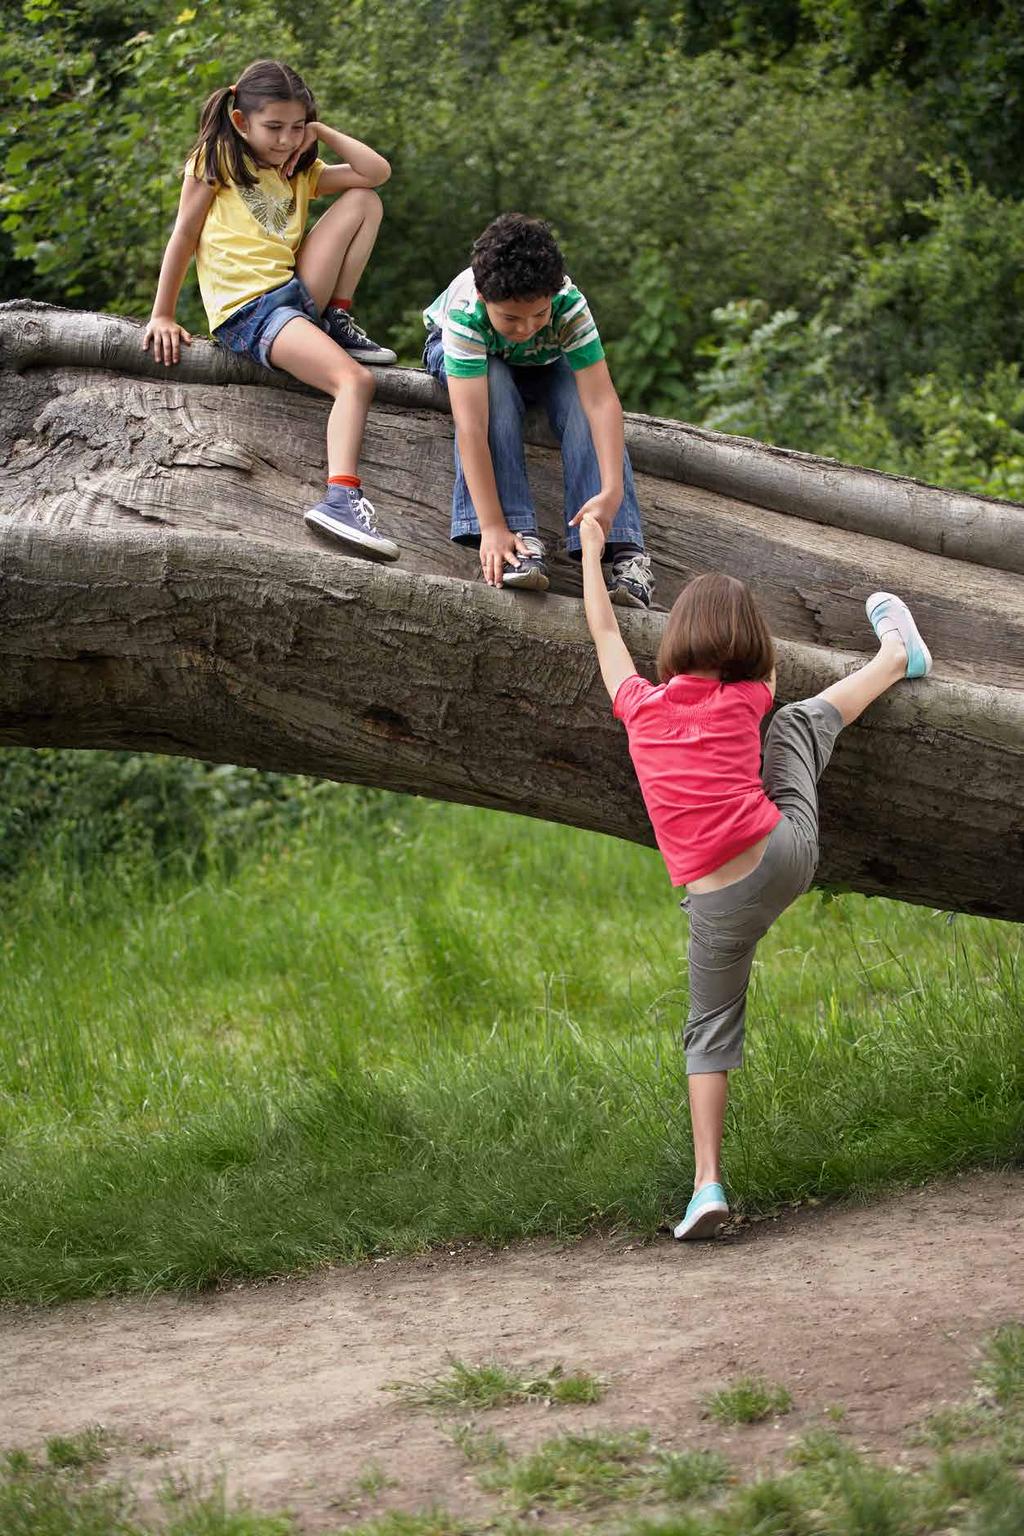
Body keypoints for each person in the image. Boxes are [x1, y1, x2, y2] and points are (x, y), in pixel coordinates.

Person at [578, 512, 934, 1240]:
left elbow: (607, 635)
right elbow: (766, 674)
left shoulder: (640, 710)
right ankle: (898, 655)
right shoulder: (748, 699)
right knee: (799, 725)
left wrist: (589, 553)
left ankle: (706, 1185)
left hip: (713, 903)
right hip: (783, 857)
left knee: (707, 1030)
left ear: (673, 645)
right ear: (745, 646)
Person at [142, 57, 399, 561]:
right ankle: (340, 498)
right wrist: (162, 314)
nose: (285, 139)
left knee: (365, 200)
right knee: (356, 382)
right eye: (273, 127)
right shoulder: (219, 159)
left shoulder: (301, 169)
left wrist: (319, 130)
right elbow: (183, 236)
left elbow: (377, 172)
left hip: (296, 294)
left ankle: (337, 321)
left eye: (296, 127)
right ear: (242, 122)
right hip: (252, 311)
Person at [423, 213, 654, 606]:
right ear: (484, 297)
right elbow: (472, 427)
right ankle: (515, 536)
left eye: (538, 315)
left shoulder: (567, 304)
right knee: (496, 386)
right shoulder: (466, 314)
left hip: (544, 361)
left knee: (581, 403)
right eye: (511, 317)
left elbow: (601, 401)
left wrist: (612, 490)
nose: (526, 327)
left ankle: (622, 550)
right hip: (475, 360)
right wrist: (491, 525)